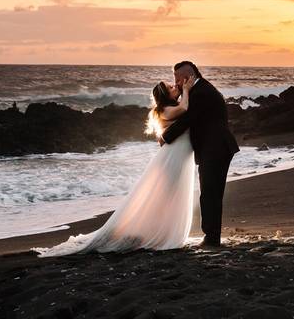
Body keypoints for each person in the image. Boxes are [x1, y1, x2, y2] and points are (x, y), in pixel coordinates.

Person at [35, 75, 197, 256]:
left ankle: (162, 230)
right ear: (165, 95)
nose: (175, 86)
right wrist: (187, 90)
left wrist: (184, 92)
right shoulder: (165, 110)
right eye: (171, 87)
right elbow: (185, 108)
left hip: (179, 153)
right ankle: (159, 232)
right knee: (169, 195)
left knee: (174, 195)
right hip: (172, 156)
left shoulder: (169, 107)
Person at [159, 61, 240, 248]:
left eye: (177, 78)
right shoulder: (201, 89)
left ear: (186, 77)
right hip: (215, 147)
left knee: (210, 194)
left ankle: (211, 238)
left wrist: (166, 136)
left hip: (215, 148)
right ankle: (212, 236)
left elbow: (187, 120)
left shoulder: (201, 93)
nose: (176, 82)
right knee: (211, 193)